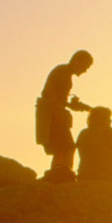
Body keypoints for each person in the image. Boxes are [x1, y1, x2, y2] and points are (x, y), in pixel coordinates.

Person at [35, 50, 94, 182]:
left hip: (53, 113)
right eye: (85, 66)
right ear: (77, 61)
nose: (85, 71)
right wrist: (59, 112)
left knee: (61, 147)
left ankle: (58, 173)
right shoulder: (62, 71)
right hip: (52, 115)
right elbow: (48, 92)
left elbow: (58, 98)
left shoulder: (65, 74)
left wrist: (79, 106)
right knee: (66, 146)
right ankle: (62, 174)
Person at [75, 106, 112, 184]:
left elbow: (83, 155)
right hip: (111, 175)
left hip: (85, 175)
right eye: (108, 118)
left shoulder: (84, 133)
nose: (111, 120)